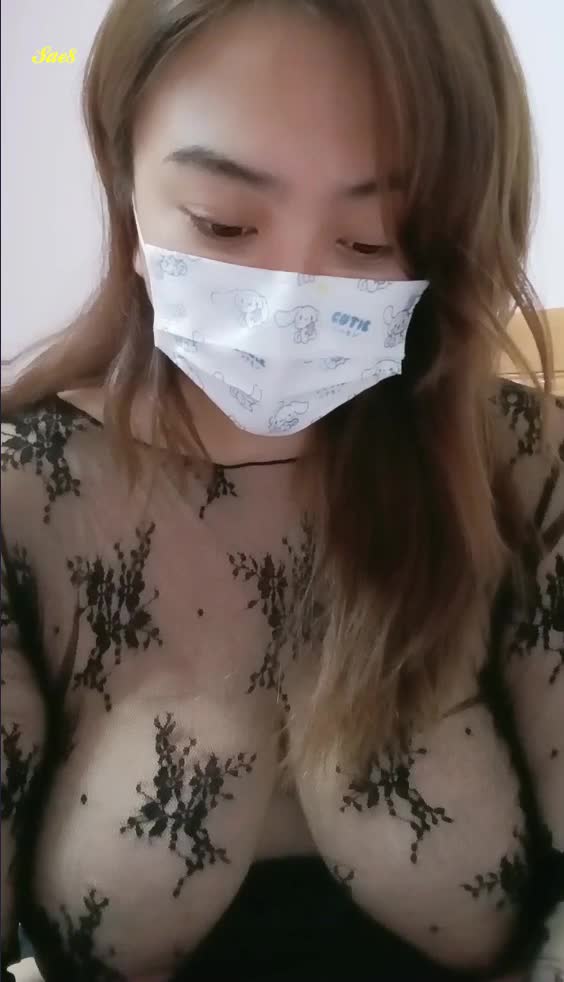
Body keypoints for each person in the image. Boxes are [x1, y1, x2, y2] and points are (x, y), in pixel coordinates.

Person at [1, 0, 563, 980]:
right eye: (224, 223)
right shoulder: (22, 500)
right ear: (127, 188)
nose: (288, 300)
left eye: (370, 240)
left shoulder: (524, 465)